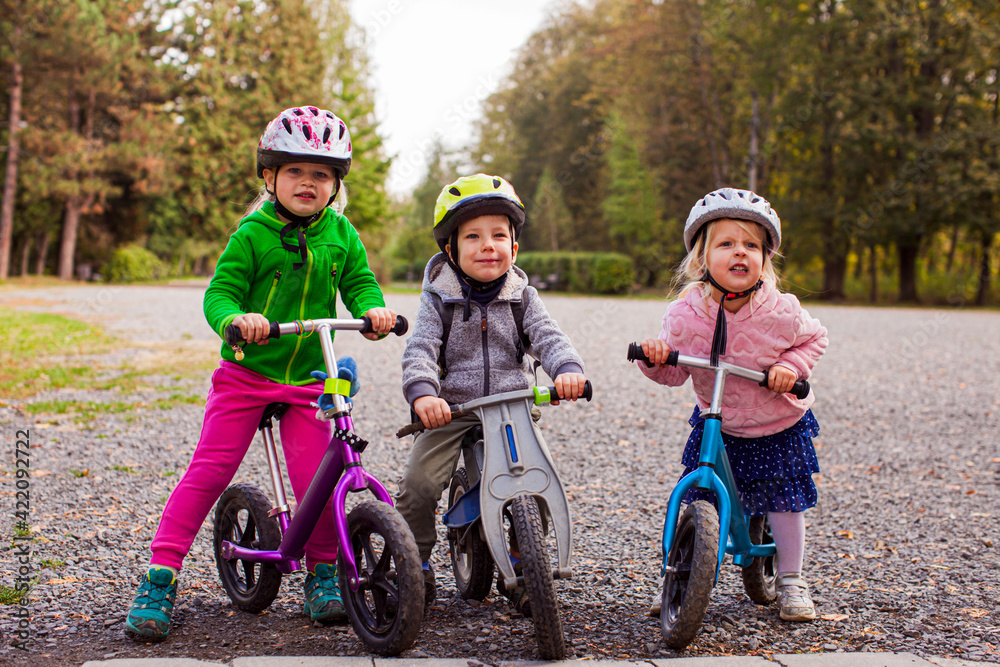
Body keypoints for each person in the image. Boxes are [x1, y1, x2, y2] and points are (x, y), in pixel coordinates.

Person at [125, 106, 398, 640]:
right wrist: (234, 319)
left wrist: (374, 312)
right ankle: (161, 572)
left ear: (335, 185)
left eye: (321, 175)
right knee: (211, 468)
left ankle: (322, 573)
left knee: (317, 479)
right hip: (246, 376)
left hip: (308, 379)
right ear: (270, 177)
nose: (308, 183)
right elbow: (220, 293)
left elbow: (361, 283)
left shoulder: (341, 234)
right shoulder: (252, 234)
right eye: (295, 171)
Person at [636, 187, 828, 623]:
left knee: (784, 499)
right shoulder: (686, 314)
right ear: (702, 259)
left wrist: (789, 366)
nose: (740, 253)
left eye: (751, 245)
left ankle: (792, 579)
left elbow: (816, 338)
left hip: (778, 421)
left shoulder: (781, 310)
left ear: (766, 258)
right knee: (698, 494)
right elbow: (674, 372)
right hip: (717, 422)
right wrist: (655, 359)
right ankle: (676, 573)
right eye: (726, 244)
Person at [397, 173, 588, 608]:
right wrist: (425, 393)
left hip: (512, 406)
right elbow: (421, 348)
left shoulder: (523, 297)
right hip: (453, 410)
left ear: (514, 248)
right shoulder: (436, 300)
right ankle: (415, 565)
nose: (488, 245)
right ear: (450, 249)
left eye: (499, 235)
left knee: (535, 481)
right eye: (474, 237)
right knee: (418, 485)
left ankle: (526, 567)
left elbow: (548, 336)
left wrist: (568, 370)